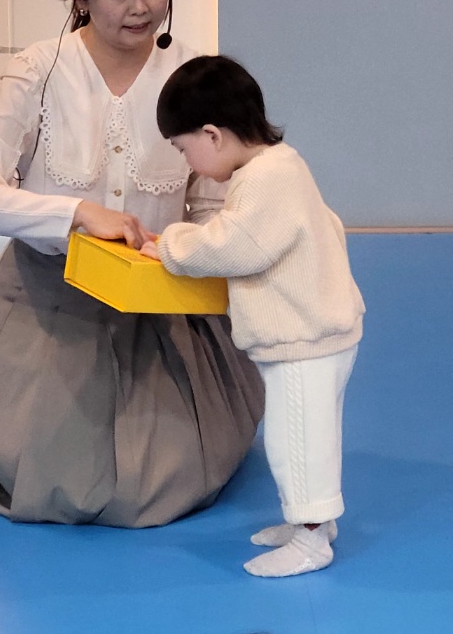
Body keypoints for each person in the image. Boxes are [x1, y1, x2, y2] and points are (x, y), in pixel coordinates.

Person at [0, 0, 263, 526]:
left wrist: (191, 248)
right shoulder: (38, 71)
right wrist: (74, 213)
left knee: (164, 478)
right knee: (54, 472)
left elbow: (215, 201)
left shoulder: (194, 78)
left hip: (161, 304)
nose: (140, 8)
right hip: (49, 302)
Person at [143, 55, 365, 577]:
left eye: (184, 149)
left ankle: (311, 541)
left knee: (295, 442)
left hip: (303, 340)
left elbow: (235, 246)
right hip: (320, 332)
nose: (188, 162)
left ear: (212, 135)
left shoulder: (265, 179)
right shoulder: (282, 165)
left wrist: (171, 244)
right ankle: (313, 522)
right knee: (311, 433)